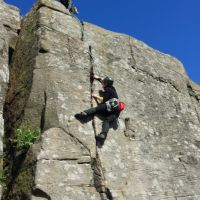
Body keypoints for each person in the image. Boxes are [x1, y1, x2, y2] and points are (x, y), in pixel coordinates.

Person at [75, 75, 121, 143]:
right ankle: (102, 135)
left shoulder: (108, 90)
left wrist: (96, 96)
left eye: (104, 82)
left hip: (109, 105)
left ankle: (84, 114)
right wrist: (99, 78)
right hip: (116, 112)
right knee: (107, 121)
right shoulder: (113, 89)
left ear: (106, 83)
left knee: (96, 109)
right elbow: (105, 82)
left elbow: (104, 99)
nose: (103, 84)